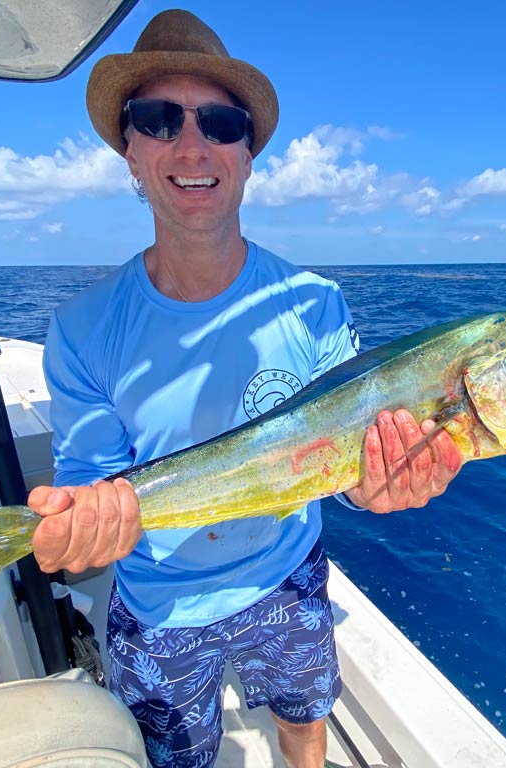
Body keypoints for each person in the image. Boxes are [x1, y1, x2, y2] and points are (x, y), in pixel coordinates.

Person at [26, 10, 463, 768]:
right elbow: (90, 493)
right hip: (159, 604)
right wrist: (80, 533)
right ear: (129, 150)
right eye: (159, 120)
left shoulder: (315, 303)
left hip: (287, 577)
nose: (192, 144)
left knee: (305, 721)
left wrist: (379, 486)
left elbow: (354, 463)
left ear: (249, 155)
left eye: (220, 123)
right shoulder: (83, 329)